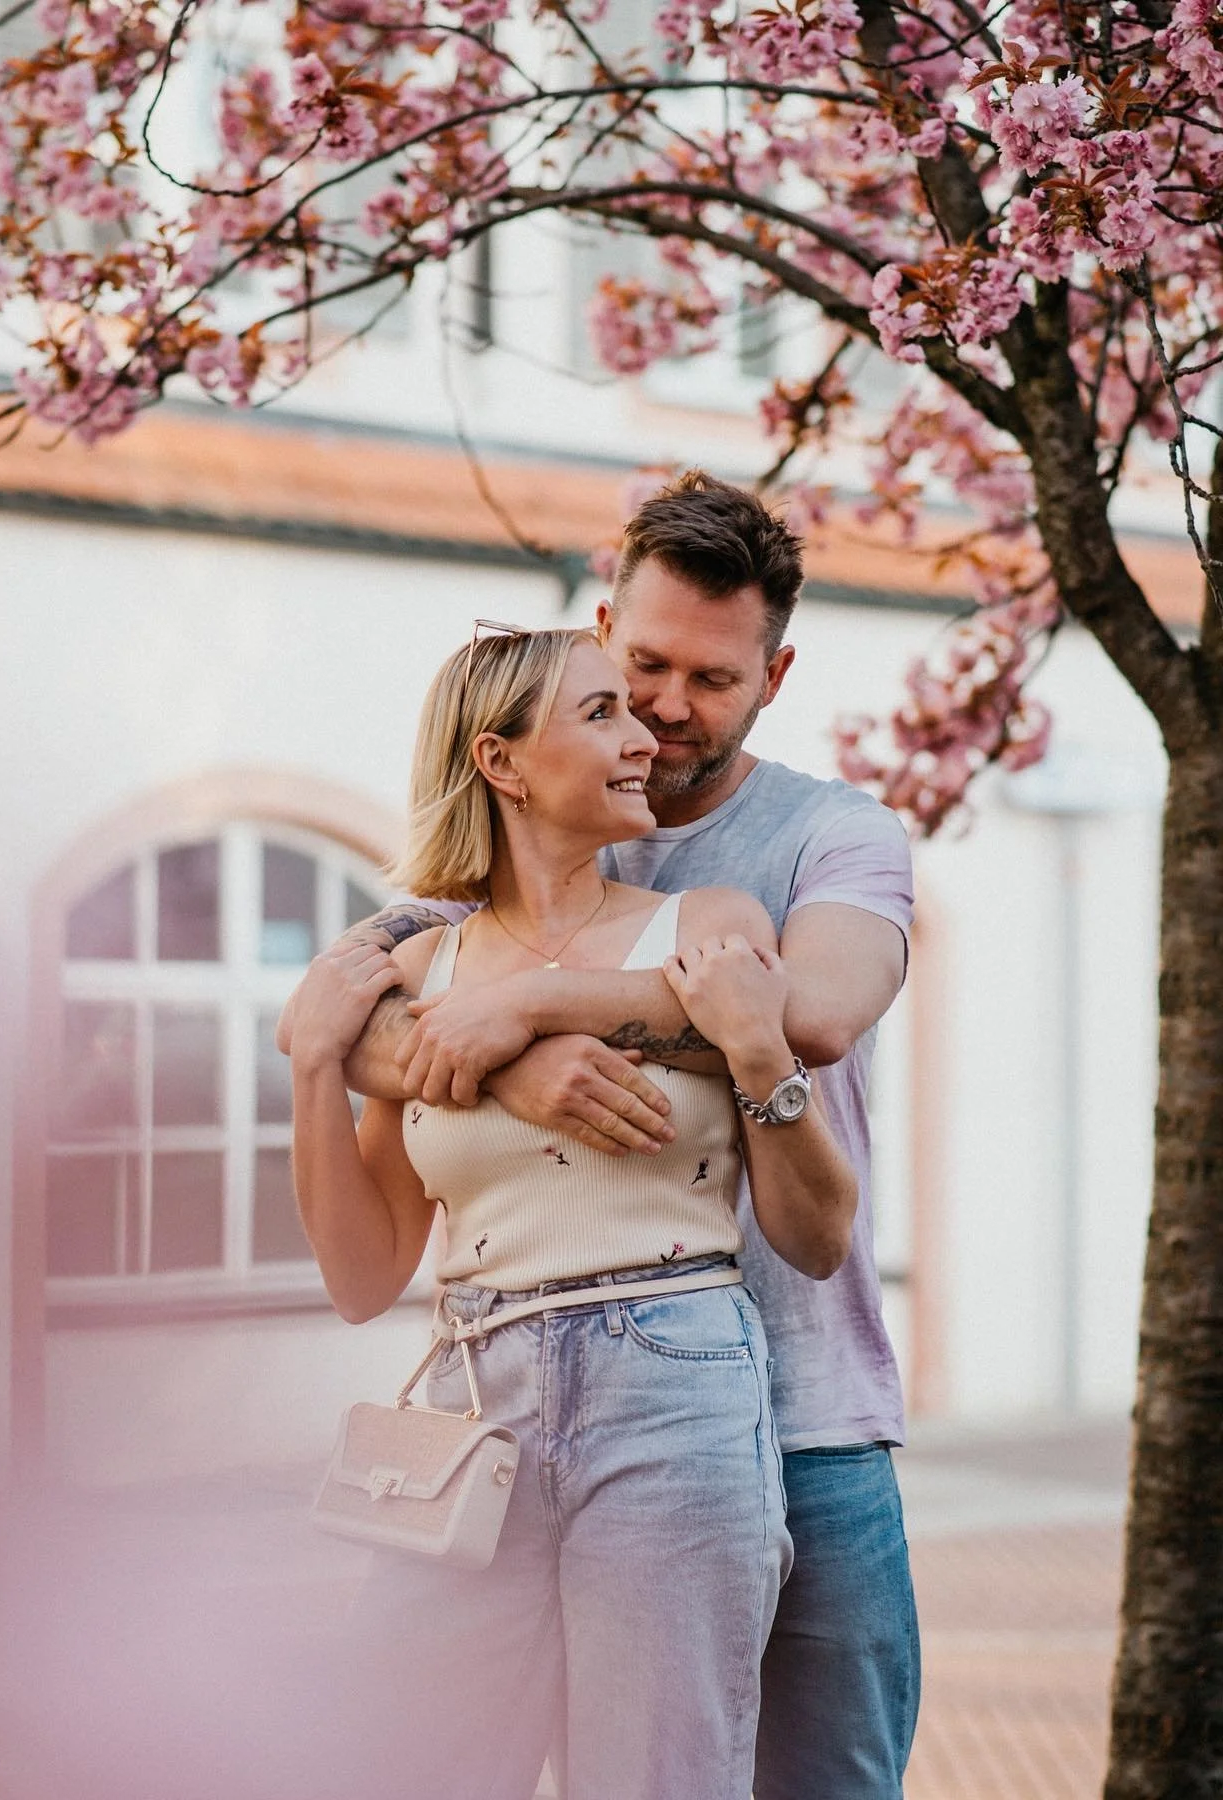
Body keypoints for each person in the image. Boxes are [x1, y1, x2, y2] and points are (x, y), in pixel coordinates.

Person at [281, 471, 920, 1800]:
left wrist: (534, 1009)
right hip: (491, 1390)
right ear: (599, 635)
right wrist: (481, 1059)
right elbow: (348, 1017)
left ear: (775, 674)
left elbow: (808, 1020)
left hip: (788, 1399)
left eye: (713, 679)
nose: (664, 716)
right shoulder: (442, 924)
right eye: (637, 676)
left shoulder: (814, 843)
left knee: (798, 1779)